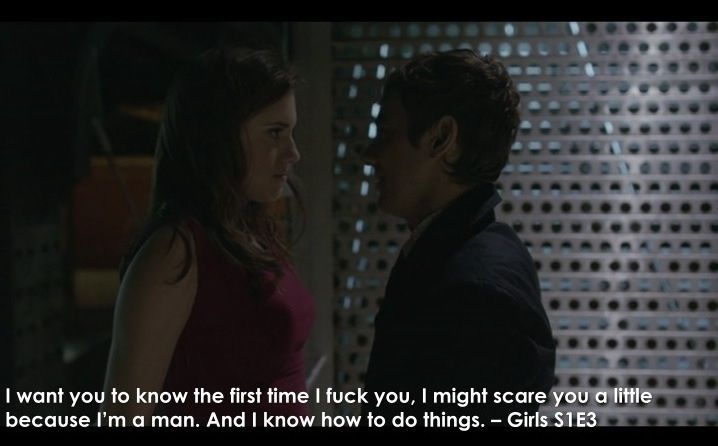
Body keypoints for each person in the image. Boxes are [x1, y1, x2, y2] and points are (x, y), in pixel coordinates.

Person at [100, 47, 314, 423]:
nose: (293, 153)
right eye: (275, 133)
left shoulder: (252, 234)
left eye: (291, 132)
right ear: (219, 137)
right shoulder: (175, 252)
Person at [361, 50, 555, 424]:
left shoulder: (474, 291)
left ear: (441, 138)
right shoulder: (471, 252)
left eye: (386, 134)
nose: (371, 154)